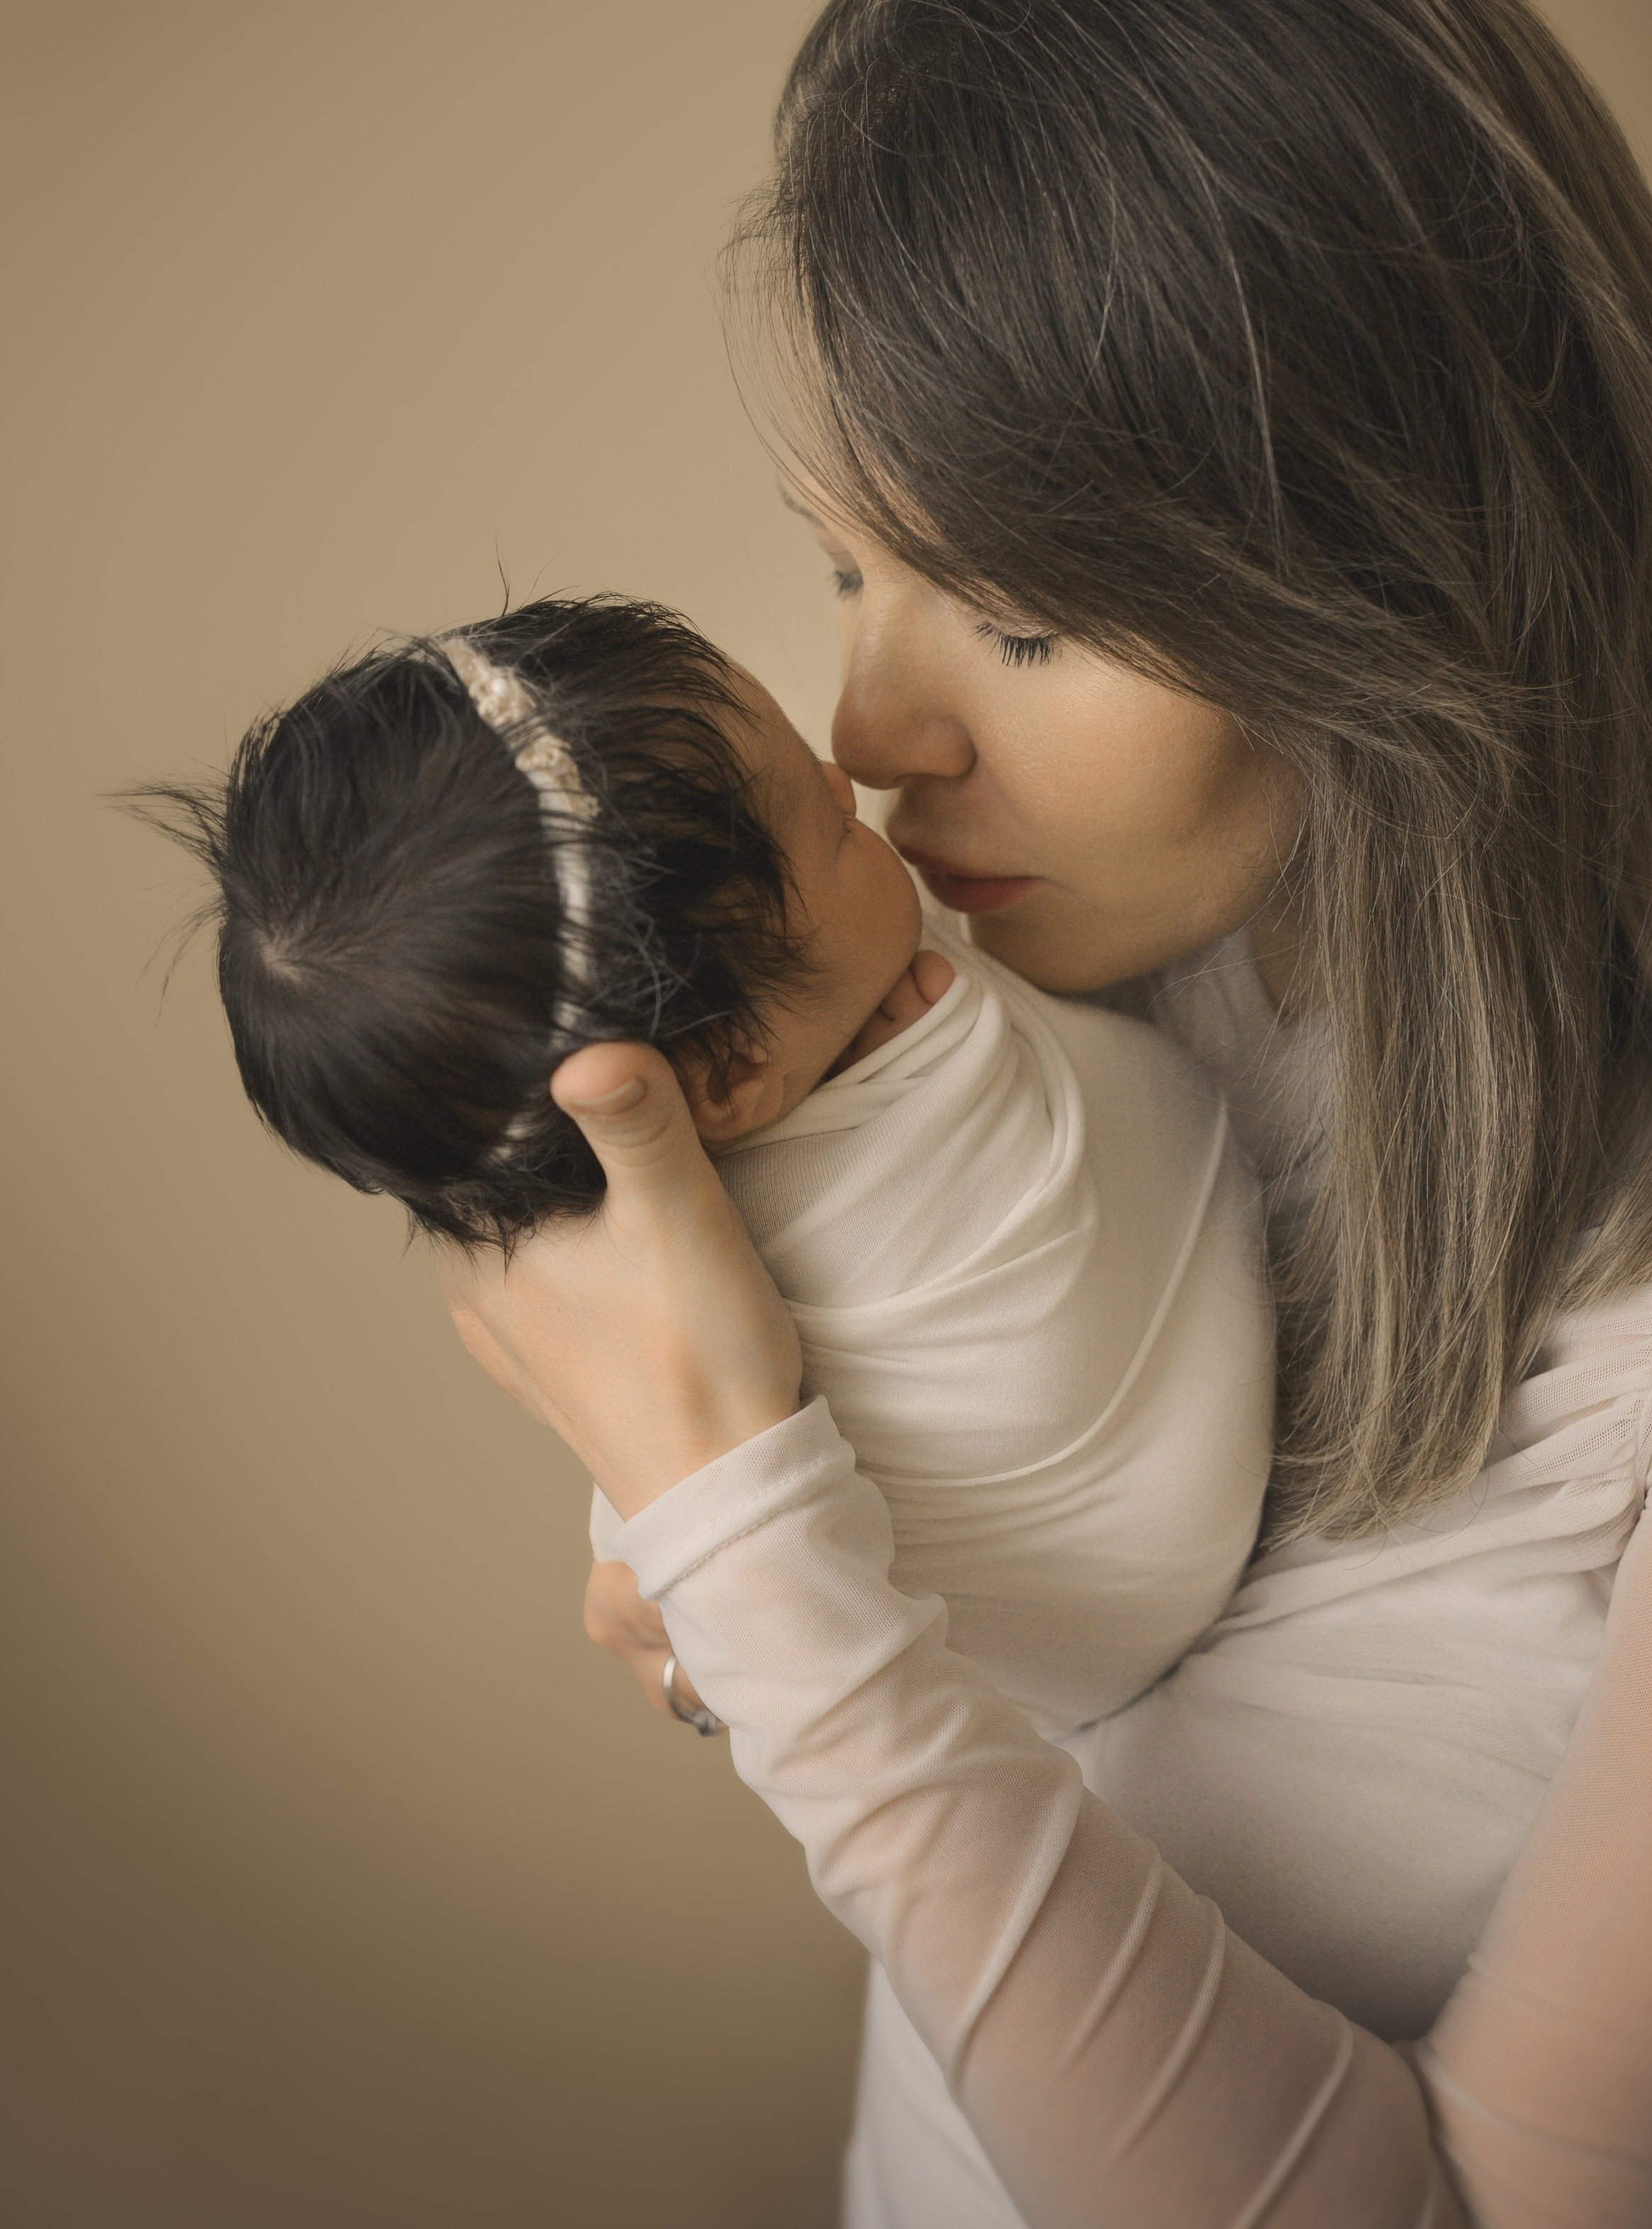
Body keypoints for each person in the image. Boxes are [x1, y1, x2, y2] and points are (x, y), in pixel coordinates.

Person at [445, 0, 1652, 2225]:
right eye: (856, 561)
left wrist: (764, 1565)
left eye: (1027, 622)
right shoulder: (1065, 986)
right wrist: (730, 1556)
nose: (870, 729)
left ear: (1405, 577)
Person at [153, 595, 1272, 1740]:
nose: (848, 778)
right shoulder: (933, 1063)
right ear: (732, 1075)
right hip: (1130, 1561)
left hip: (1078, 1645)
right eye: (828, 830)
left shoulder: (667, 1157)